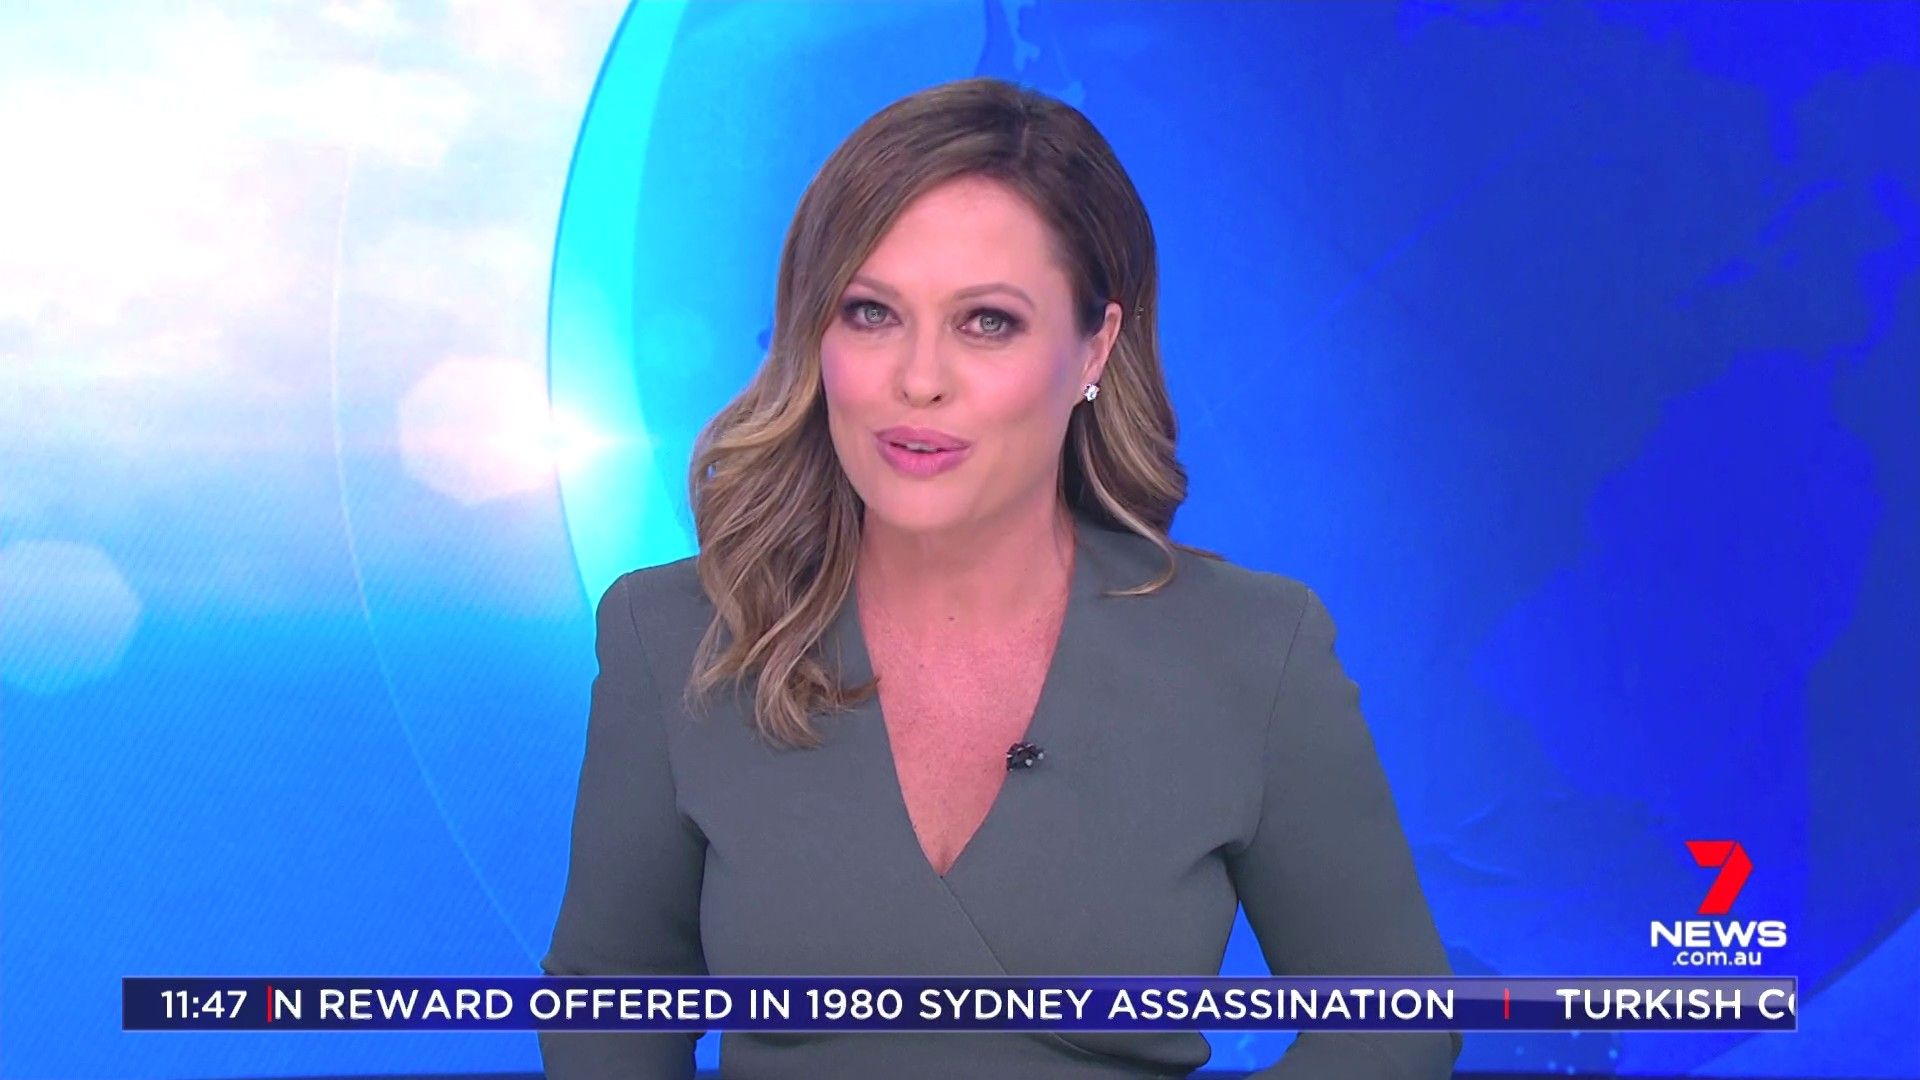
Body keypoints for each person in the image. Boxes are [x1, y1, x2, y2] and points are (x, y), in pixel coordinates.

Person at [539, 75, 1460, 1079]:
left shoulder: (1255, 651)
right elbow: (607, 1006)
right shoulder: (674, 635)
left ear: (1094, 347)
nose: (918, 379)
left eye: (986, 322)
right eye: (870, 312)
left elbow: (1394, 1020)